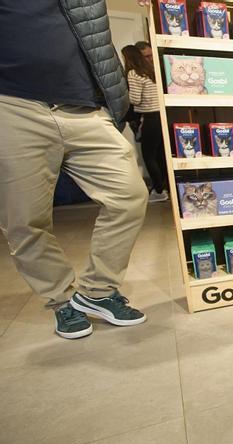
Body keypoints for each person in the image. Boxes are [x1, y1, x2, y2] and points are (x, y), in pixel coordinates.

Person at [0, 0, 149, 339]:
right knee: (24, 219)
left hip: (85, 106)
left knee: (129, 196)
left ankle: (97, 292)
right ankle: (60, 301)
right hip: (12, 104)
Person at [122, 44, 168, 202]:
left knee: (149, 156)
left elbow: (135, 99)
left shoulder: (134, 73)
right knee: (161, 154)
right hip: (162, 116)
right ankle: (164, 187)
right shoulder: (151, 72)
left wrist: (124, 97)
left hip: (150, 118)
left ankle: (159, 191)